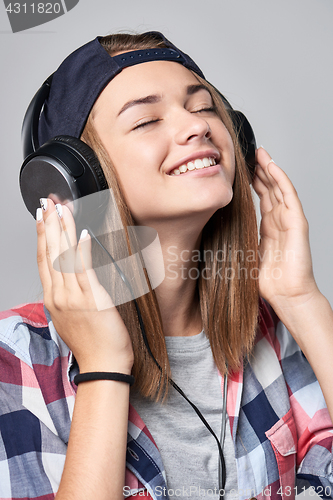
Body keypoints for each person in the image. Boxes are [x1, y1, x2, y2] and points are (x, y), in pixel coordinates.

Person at [0, 31, 333, 500]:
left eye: (203, 107)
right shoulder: (14, 362)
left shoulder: (274, 333)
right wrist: (103, 368)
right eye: (147, 120)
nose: (198, 127)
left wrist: (303, 301)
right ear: (76, 180)